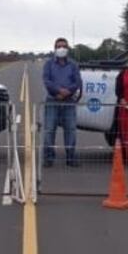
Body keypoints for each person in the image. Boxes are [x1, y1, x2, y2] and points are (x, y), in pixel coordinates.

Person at [42, 37, 82, 167]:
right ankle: (48, 158)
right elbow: (47, 80)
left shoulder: (73, 65)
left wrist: (68, 92)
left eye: (64, 46)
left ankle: (71, 158)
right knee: (49, 130)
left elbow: (77, 82)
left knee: (70, 130)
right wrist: (58, 91)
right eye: (59, 46)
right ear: (55, 49)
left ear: (68, 49)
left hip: (69, 101)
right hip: (53, 100)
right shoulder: (48, 64)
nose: (61, 49)